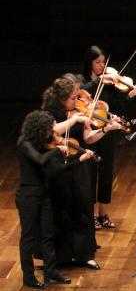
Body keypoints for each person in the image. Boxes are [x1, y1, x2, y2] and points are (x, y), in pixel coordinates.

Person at [15, 110, 93, 288]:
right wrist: (57, 150)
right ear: (40, 128)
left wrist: (79, 159)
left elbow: (56, 171)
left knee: (48, 234)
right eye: (50, 128)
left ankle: (51, 272)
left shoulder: (42, 143)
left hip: (44, 194)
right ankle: (28, 277)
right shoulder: (25, 143)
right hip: (29, 196)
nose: (53, 132)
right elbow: (41, 161)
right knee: (28, 237)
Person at [41, 77, 111, 270]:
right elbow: (53, 130)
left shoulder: (78, 111)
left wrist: (106, 128)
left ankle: (84, 254)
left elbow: (87, 138)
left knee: (83, 206)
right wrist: (73, 120)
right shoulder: (50, 112)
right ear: (62, 98)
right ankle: (62, 255)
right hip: (59, 166)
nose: (77, 101)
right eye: (73, 98)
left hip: (79, 164)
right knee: (62, 208)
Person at [78, 45, 136, 230]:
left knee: (106, 173)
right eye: (97, 62)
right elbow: (82, 92)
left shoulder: (110, 83)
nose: (102, 65)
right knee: (90, 174)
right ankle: (91, 215)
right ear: (89, 63)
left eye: (103, 62)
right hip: (89, 133)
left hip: (107, 131)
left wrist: (131, 95)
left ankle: (103, 213)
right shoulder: (83, 81)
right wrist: (99, 80)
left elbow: (119, 105)